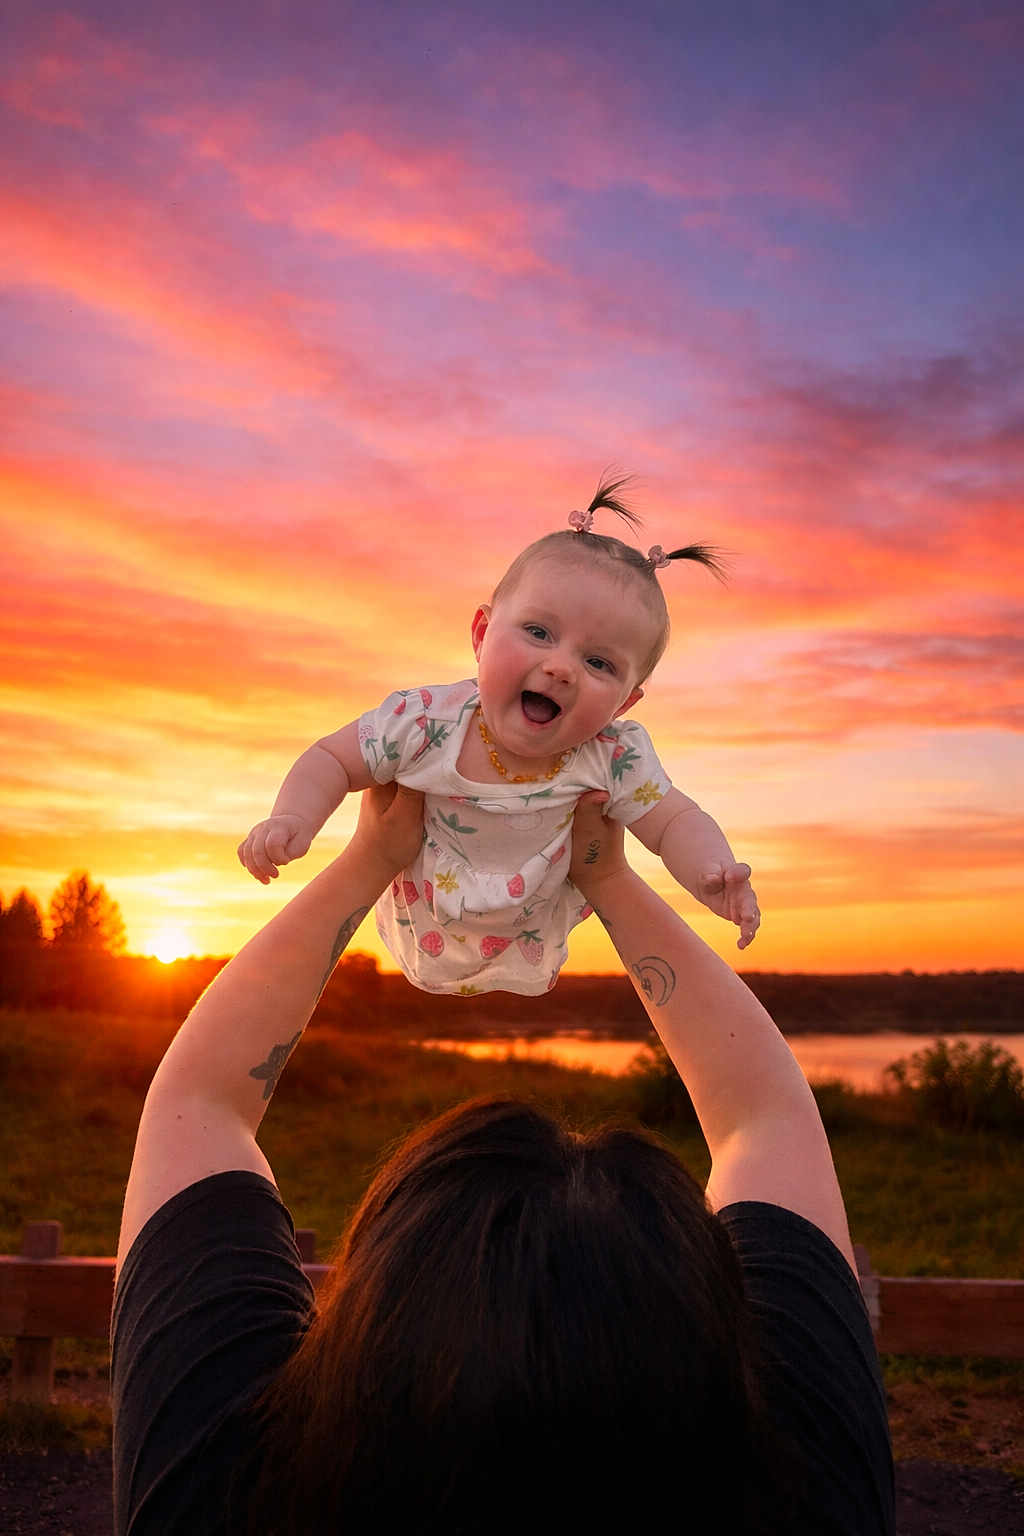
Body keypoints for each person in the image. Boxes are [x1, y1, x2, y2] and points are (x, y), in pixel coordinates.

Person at [112, 785, 894, 1536]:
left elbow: (200, 1101)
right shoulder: (806, 1497)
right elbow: (765, 1117)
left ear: (373, 1328)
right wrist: (606, 876)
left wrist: (370, 860)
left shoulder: (226, 1489)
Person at [237, 474, 761, 996]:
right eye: (539, 633)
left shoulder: (612, 757)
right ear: (483, 634)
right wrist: (293, 816)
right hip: (419, 923)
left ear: (623, 703)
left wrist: (711, 873)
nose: (560, 668)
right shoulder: (424, 722)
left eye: (598, 662)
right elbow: (331, 758)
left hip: (532, 939)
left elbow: (675, 821)